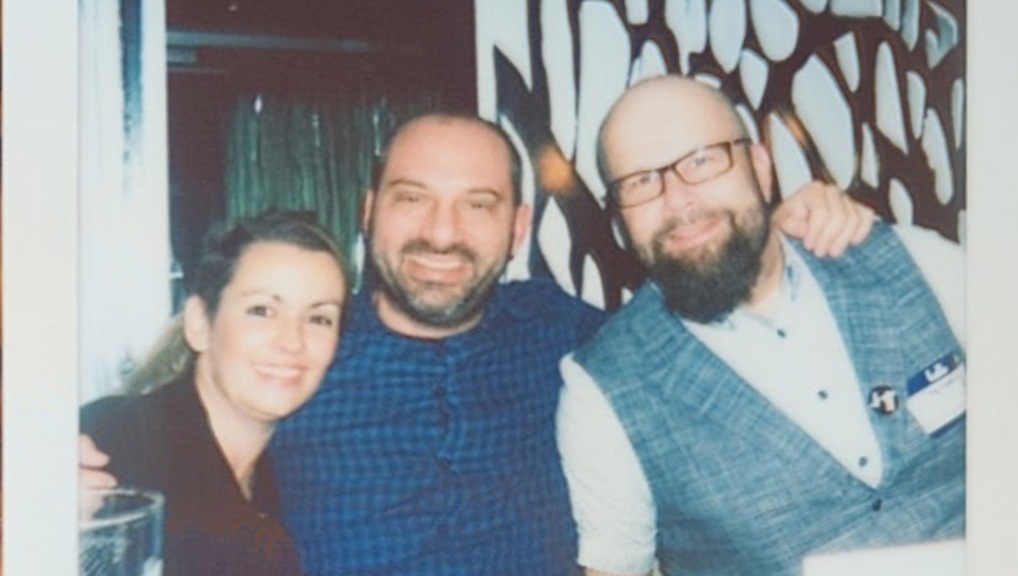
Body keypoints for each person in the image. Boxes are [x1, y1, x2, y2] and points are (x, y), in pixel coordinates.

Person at [263, 111, 874, 576]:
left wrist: (776, 236)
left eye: (478, 205)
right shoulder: (298, 357)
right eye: (413, 198)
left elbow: (706, 318)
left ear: (518, 229)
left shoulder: (561, 333)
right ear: (369, 212)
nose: (441, 234)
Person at [556, 75, 965, 576]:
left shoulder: (910, 258)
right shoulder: (602, 387)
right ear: (619, 220)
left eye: (702, 160)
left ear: (761, 168)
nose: (678, 200)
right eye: (640, 182)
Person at [79, 210, 349, 576]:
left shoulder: (290, 477)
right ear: (200, 323)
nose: (292, 341)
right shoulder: (113, 443)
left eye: (319, 318)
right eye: (262, 310)